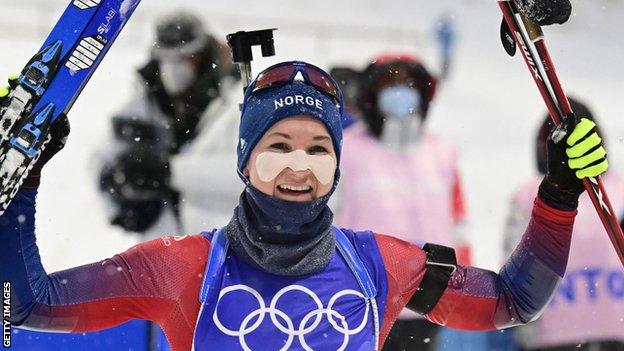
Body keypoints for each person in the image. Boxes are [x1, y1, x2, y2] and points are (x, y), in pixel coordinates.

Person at [0, 60, 609, 351]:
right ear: (245, 161)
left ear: (336, 166)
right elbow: (24, 304)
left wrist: (556, 197)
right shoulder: (184, 267)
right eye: (278, 145)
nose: (299, 165)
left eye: (319, 148)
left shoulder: (380, 266)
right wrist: (18, 183)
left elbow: (511, 301)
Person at [334, 54, 471, 350]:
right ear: (372, 95)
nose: (400, 91)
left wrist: (465, 283)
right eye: (389, 84)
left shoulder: (443, 153)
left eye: (408, 84)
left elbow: (459, 225)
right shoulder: (347, 150)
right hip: (364, 300)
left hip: (430, 300)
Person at [98, 11, 240, 235]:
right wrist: (117, 196)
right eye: (167, 58)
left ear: (202, 54)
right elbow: (103, 157)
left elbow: (249, 174)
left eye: (184, 57)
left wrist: (169, 172)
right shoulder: (147, 95)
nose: (173, 67)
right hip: (164, 246)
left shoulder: (237, 99)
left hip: (223, 239)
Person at [504, 98, 624, 351]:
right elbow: (514, 258)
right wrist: (522, 323)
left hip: (613, 327)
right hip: (554, 332)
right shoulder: (529, 193)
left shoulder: (618, 189)